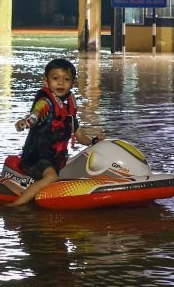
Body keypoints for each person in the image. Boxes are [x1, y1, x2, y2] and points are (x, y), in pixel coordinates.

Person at [8, 58, 105, 206]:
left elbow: (79, 136)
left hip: (56, 159)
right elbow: (35, 114)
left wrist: (93, 142)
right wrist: (25, 122)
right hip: (36, 158)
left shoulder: (69, 108)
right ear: (46, 82)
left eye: (66, 79)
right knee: (52, 177)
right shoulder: (45, 103)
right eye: (55, 78)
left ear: (72, 83)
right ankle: (15, 206)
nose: (61, 83)